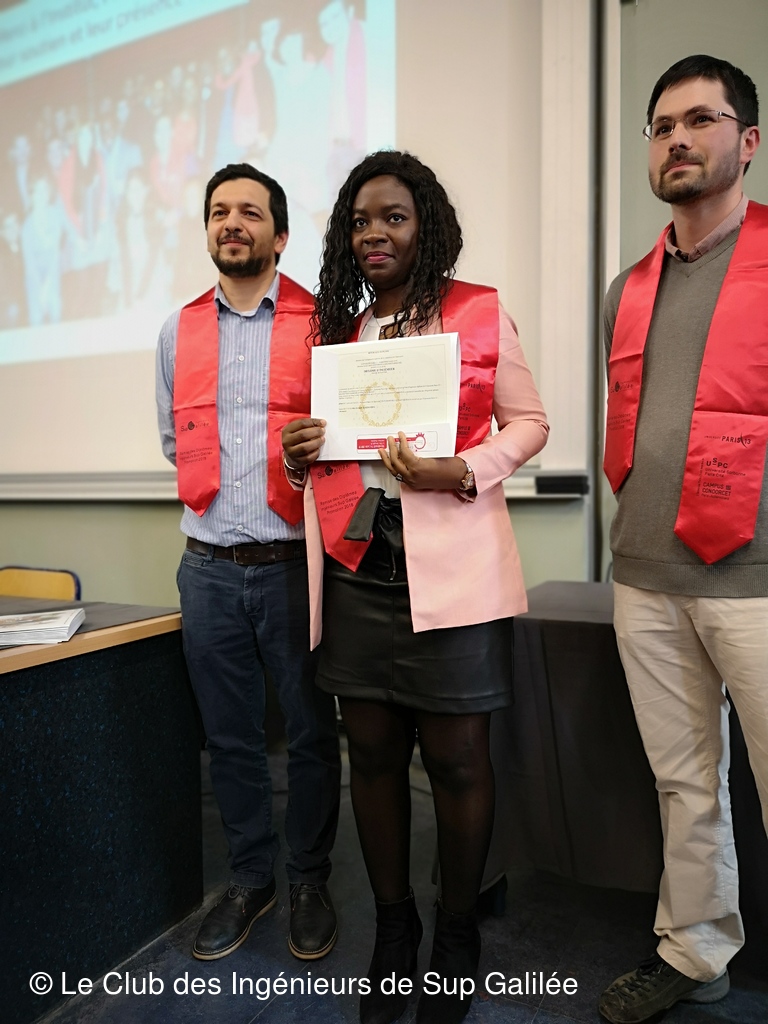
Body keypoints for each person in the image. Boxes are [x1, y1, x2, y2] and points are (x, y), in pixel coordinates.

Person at [283, 150, 548, 1024]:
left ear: (424, 226)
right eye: (360, 221)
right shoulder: (341, 337)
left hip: (454, 571)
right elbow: (328, 461)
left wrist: (460, 469)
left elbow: (530, 423)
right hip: (360, 569)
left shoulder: (478, 312)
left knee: (459, 760)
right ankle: (393, 934)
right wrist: (297, 455)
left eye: (393, 217)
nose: (375, 233)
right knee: (371, 755)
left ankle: (456, 935)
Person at [600, 56, 764, 1024]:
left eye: (701, 120)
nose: (678, 139)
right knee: (684, 783)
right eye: (662, 126)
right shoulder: (629, 288)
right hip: (646, 575)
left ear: (748, 141)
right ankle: (696, 951)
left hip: (760, 578)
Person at [155, 163, 341, 963]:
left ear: (281, 234)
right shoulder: (177, 332)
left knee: (310, 734)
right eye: (219, 211)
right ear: (208, 230)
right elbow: (175, 442)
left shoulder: (322, 323)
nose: (233, 223)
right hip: (206, 568)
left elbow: (345, 444)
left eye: (251, 212)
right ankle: (250, 878)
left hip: (294, 563)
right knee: (229, 739)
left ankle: (309, 880)